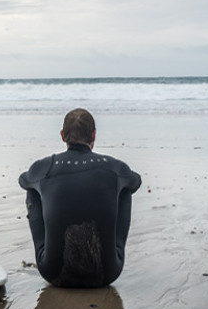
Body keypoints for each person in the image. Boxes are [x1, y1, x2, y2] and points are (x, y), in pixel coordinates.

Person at [18, 108, 141, 287]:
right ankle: (114, 251)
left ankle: (46, 250)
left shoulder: (45, 167)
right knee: (124, 189)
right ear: (94, 135)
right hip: (107, 274)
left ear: (62, 135)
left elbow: (23, 181)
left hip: (53, 273)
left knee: (33, 190)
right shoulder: (114, 167)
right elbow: (135, 182)